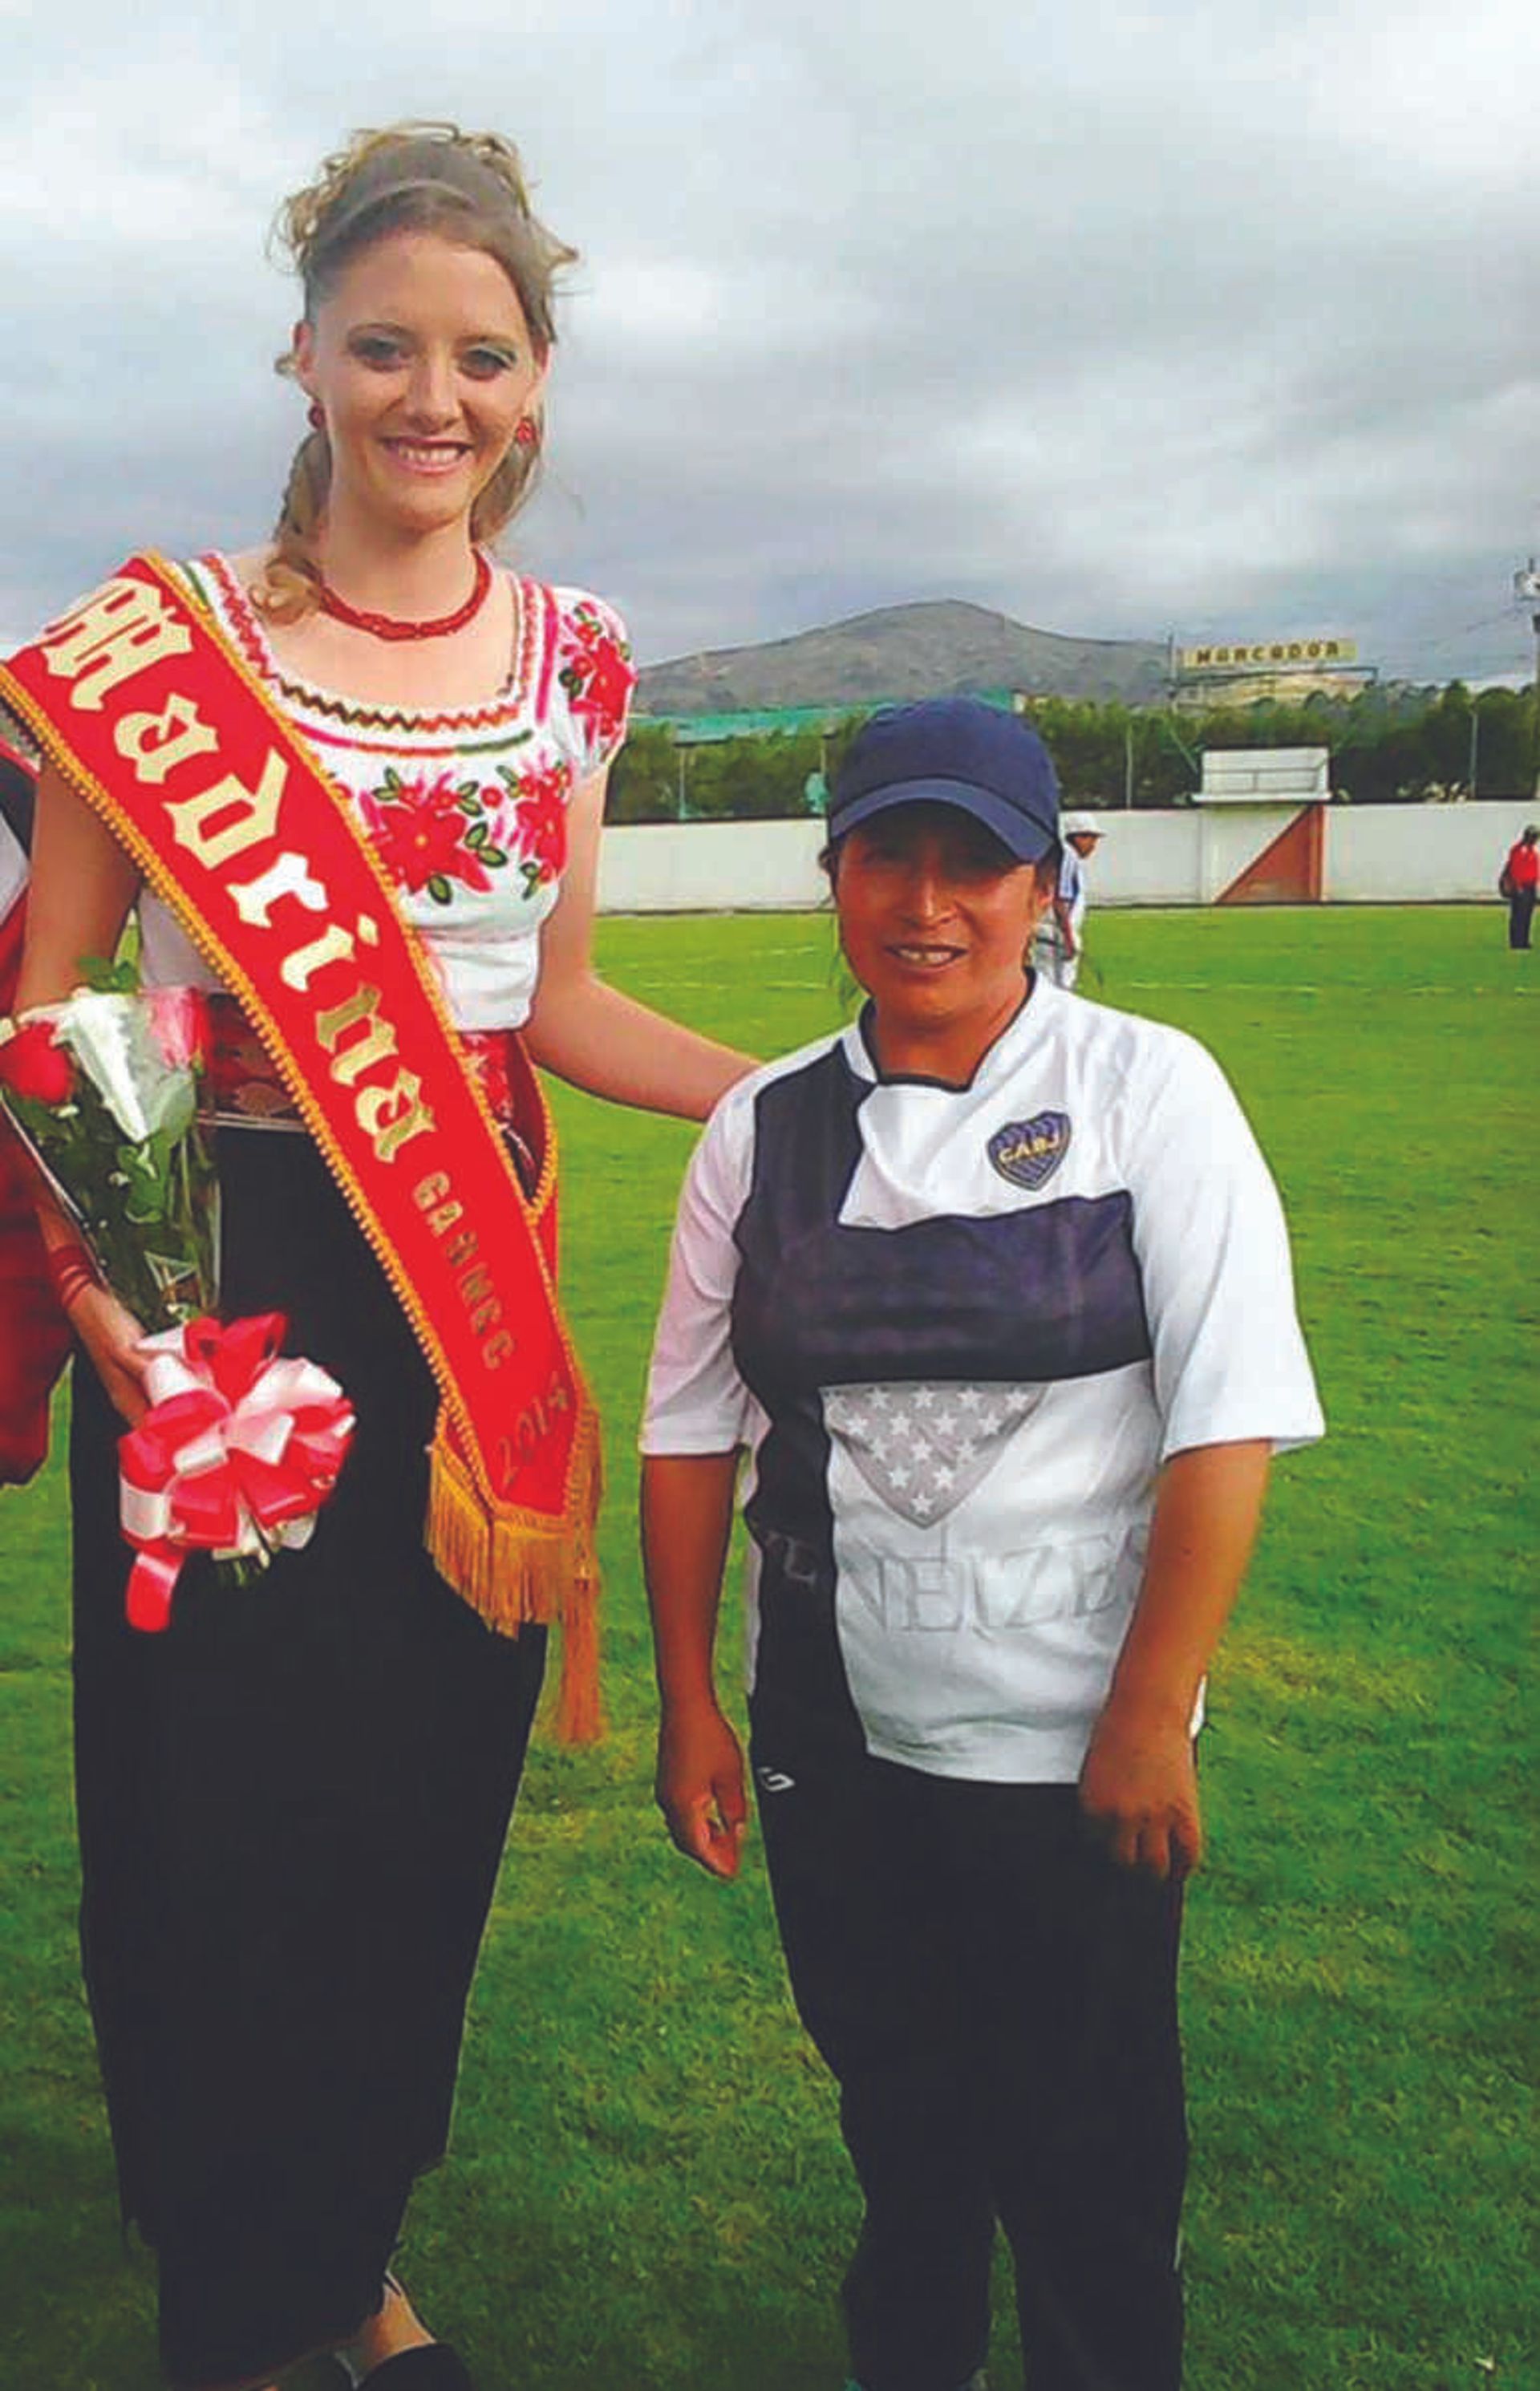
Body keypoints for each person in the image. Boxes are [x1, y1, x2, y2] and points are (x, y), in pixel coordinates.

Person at [2, 124, 752, 2391]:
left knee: (418, 1806)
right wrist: (128, 1332)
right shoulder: (171, 653)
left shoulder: (574, 663)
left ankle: (346, 2237)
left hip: (465, 1302)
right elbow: (57, 1013)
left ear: (535, 391)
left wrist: (813, 1098)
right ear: (309, 355)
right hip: (212, 1297)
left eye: (485, 357)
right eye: (387, 345)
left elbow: (563, 1000)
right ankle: (244, 2296)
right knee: (217, 1815)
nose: (437, 395)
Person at [641, 697, 1323, 2391]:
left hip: (1071, 1744)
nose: (927, 900)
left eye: (976, 860)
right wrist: (689, 1701)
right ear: (836, 872)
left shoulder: (1146, 1087)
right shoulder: (766, 1128)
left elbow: (1224, 1414)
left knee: (1088, 2157)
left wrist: (1150, 1715)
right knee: (905, 2128)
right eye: (889, 852)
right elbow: (684, 1428)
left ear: (1046, 882)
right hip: (831, 1734)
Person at [1029, 805, 1103, 988]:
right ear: (1078, 837)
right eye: (1091, 838)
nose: (1094, 845)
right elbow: (1061, 899)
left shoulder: (1057, 856)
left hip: (1046, 934)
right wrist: (1068, 937)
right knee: (1058, 990)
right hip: (1055, 935)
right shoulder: (1068, 856)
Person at [1500, 823, 1538, 949]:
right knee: (1518, 914)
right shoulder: (1518, 850)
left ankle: (1524, 940)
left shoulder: (1533, 851)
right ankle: (1516, 941)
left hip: (1531, 886)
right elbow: (1515, 869)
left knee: (1527, 914)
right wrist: (1518, 886)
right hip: (1520, 886)